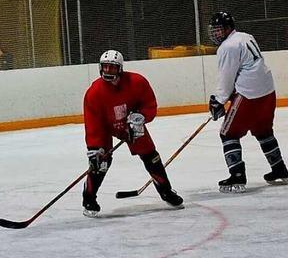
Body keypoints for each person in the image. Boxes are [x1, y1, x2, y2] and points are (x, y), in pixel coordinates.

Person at [81, 49, 183, 217]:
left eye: (112, 68)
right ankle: (89, 197)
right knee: (101, 163)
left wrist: (140, 117)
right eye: (104, 67)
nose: (107, 71)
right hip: (105, 127)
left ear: (120, 68)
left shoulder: (137, 82)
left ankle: (165, 190)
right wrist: (95, 148)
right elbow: (93, 123)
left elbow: (150, 104)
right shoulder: (94, 93)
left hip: (131, 125)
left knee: (151, 156)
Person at [208, 11, 288, 193]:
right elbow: (245, 67)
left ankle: (237, 175)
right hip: (268, 91)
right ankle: (279, 169)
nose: (216, 34)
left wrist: (218, 100)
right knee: (264, 131)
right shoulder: (245, 37)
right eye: (214, 30)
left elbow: (226, 76)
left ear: (228, 28)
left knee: (228, 133)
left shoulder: (227, 47)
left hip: (248, 94)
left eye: (219, 30)